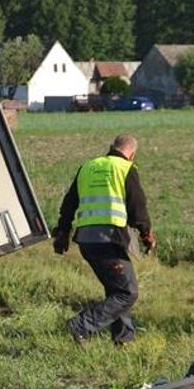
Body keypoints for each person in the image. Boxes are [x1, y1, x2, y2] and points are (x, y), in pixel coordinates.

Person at [52, 133, 155, 345]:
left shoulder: (87, 167)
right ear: (132, 154)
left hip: (87, 241)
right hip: (109, 239)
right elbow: (138, 208)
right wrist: (147, 235)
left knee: (116, 288)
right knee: (127, 292)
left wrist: (62, 232)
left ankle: (124, 339)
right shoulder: (126, 169)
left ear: (111, 147)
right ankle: (81, 326)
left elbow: (69, 203)